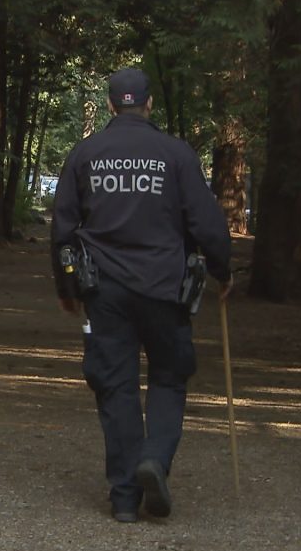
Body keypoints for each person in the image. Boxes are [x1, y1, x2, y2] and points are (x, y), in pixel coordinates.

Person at [50, 68, 232, 523]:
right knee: (169, 378)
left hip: (105, 291)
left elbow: (63, 230)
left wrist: (66, 288)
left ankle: (126, 496)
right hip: (165, 288)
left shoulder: (85, 153)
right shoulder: (176, 154)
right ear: (149, 104)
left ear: (111, 105)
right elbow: (206, 223)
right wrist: (222, 270)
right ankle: (154, 457)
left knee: (116, 387)